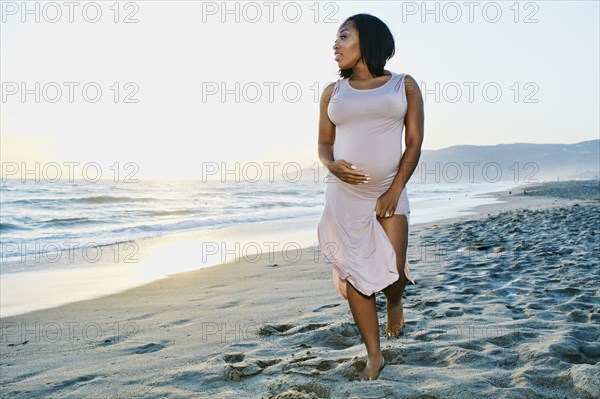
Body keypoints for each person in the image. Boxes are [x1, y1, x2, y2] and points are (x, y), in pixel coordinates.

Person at [316, 13, 424, 381]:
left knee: (393, 268)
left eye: (343, 36)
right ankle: (374, 355)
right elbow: (323, 144)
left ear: (369, 41)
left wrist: (395, 190)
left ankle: (395, 301)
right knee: (357, 274)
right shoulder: (333, 92)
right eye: (335, 38)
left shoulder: (403, 86)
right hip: (344, 195)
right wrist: (331, 165)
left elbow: (414, 143)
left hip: (388, 189)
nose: (335, 44)